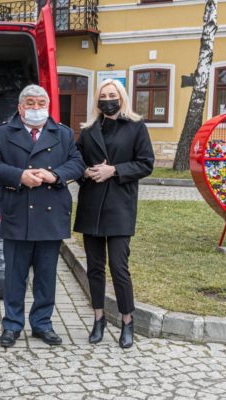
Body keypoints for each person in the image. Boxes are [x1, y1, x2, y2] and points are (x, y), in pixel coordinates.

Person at [0, 84, 85, 347]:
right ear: (20, 107)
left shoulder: (63, 133)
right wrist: (19, 176)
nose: (36, 108)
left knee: (46, 275)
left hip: (51, 214)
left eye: (41, 103)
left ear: (48, 106)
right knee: (14, 275)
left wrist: (56, 175)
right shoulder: (2, 133)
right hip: (17, 211)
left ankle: (42, 324)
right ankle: (12, 325)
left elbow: (77, 163)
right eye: (30, 103)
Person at [74, 79, 155, 348]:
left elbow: (146, 163)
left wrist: (115, 170)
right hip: (92, 205)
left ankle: (127, 320)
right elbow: (76, 161)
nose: (108, 99)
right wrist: (85, 172)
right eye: (103, 95)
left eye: (112, 94)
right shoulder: (88, 130)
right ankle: (99, 318)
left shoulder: (136, 126)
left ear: (121, 98)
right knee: (94, 267)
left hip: (120, 205)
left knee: (119, 267)